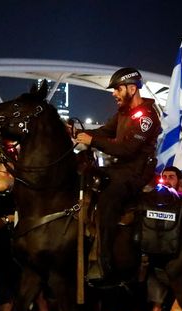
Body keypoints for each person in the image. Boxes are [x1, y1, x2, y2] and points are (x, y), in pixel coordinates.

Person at [76, 67, 160, 277]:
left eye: (117, 89)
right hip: (120, 168)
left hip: (136, 172)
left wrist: (92, 140)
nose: (113, 94)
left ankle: (104, 261)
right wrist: (77, 133)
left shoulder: (146, 117)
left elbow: (127, 148)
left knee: (108, 195)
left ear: (132, 89)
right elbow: (103, 132)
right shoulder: (123, 113)